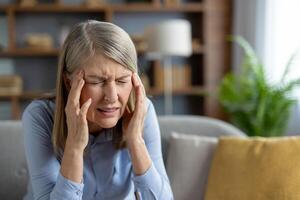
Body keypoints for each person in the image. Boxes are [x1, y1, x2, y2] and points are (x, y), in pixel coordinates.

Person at [22, 20, 173, 200]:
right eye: (96, 81)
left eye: (122, 80)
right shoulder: (40, 116)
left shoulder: (143, 110)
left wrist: (135, 141)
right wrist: (75, 148)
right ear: (69, 82)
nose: (111, 96)